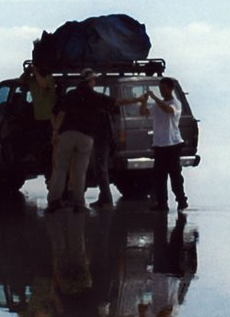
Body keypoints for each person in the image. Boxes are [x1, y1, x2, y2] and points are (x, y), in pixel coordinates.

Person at [47, 69, 143, 213]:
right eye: (94, 80)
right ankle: (78, 204)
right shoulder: (95, 96)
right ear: (90, 81)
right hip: (86, 137)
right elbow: (118, 102)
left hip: (67, 135)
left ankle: (54, 202)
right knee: (80, 171)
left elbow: (59, 113)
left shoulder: (70, 95)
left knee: (61, 169)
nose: (95, 82)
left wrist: (55, 132)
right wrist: (137, 99)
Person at [143, 77, 189, 211]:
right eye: (160, 89)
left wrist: (155, 98)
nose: (162, 92)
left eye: (163, 89)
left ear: (170, 89)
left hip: (173, 144)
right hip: (159, 144)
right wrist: (144, 100)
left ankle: (181, 200)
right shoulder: (157, 104)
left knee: (175, 175)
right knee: (159, 176)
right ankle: (162, 203)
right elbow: (144, 112)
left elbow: (168, 110)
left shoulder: (176, 103)